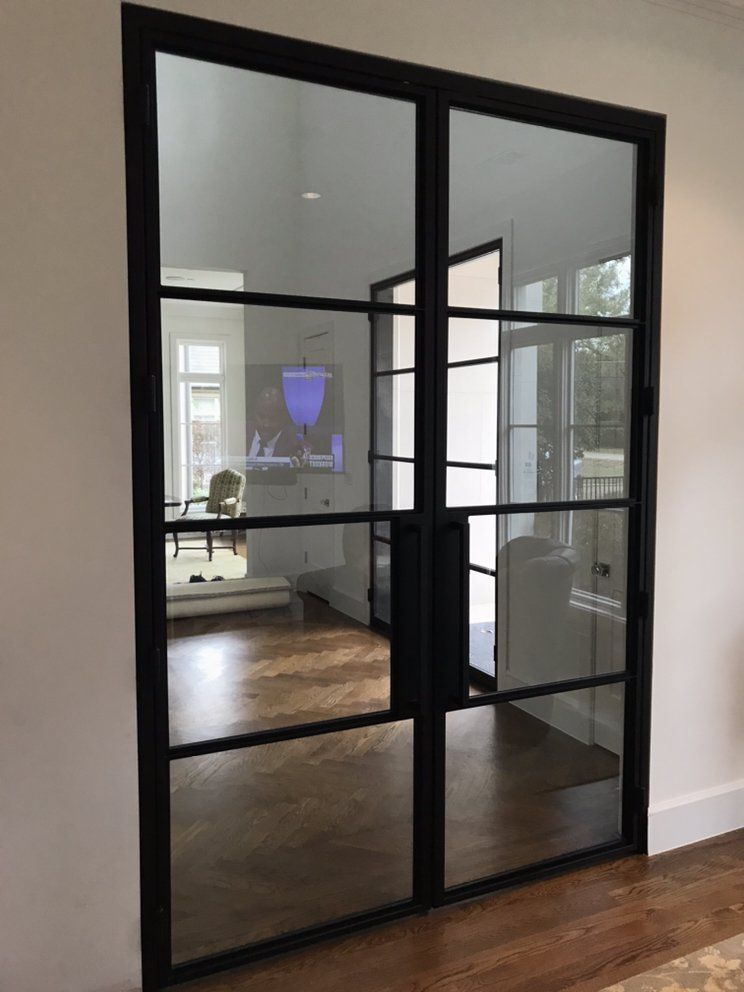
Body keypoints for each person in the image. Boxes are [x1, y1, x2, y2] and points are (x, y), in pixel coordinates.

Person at [246, 386, 303, 461]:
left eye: (272, 418)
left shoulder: (294, 444)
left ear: (283, 419)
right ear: (254, 413)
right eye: (262, 417)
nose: (266, 425)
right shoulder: (239, 434)